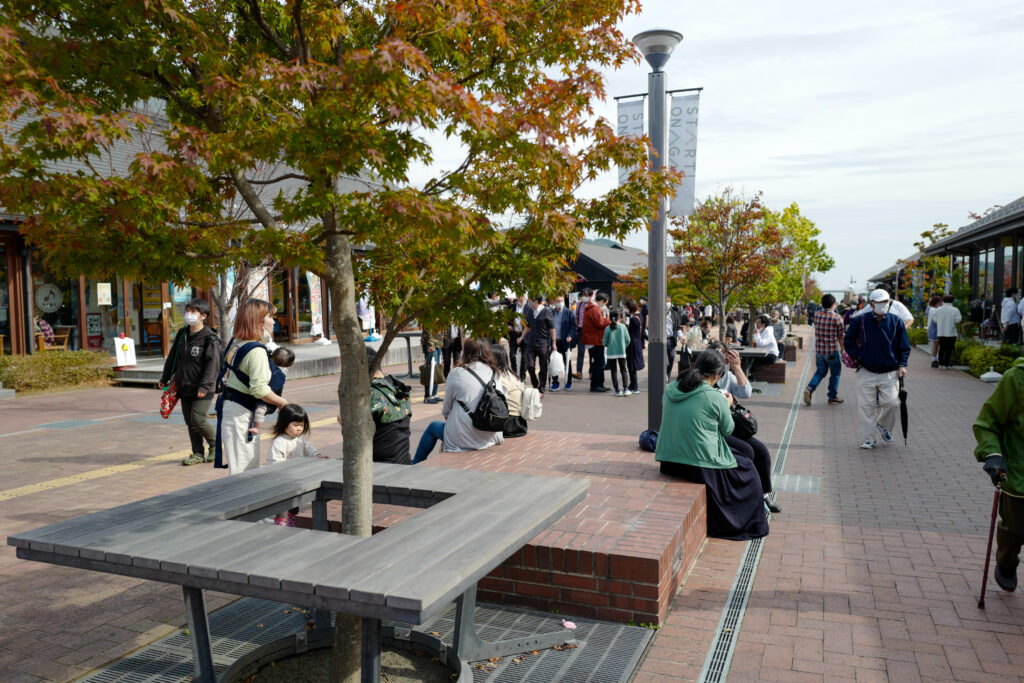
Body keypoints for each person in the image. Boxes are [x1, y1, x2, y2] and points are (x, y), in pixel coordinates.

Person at [654, 350, 770, 540]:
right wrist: (728, 404)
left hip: (668, 459)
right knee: (747, 468)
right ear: (718, 375)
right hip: (696, 464)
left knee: (744, 453)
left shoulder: (671, 388)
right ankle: (749, 519)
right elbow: (727, 430)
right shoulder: (714, 396)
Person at [215, 298, 288, 474]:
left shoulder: (237, 342)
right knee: (245, 471)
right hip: (242, 414)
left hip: (231, 408)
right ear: (258, 320)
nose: (273, 321)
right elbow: (259, 389)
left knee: (240, 466)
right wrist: (282, 403)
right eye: (270, 317)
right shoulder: (256, 351)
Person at [973, 355, 1024, 592]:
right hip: (1019, 474)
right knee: (1015, 530)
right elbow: (988, 422)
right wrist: (992, 453)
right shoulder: (1017, 378)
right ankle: (1006, 562)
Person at [412, 338, 504, 463]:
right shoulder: (495, 373)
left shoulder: (456, 373)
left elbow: (446, 411)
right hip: (491, 434)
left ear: (465, 352)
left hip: (463, 437)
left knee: (433, 427)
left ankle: (415, 463)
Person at [844, 289, 911, 450]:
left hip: (890, 371)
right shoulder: (860, 321)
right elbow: (849, 341)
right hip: (866, 370)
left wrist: (902, 364)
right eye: (880, 303)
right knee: (866, 407)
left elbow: (904, 346)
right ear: (872, 304)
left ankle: (882, 424)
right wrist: (859, 356)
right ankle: (868, 438)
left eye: (886, 302)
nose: (884, 305)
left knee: (891, 403)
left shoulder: (896, 321)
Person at [159, 298, 222, 466]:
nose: (189, 314)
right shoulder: (182, 334)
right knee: (190, 422)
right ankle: (197, 453)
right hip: (184, 385)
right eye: (188, 310)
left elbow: (212, 365)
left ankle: (216, 446)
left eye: (194, 312)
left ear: (203, 316)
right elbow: (173, 358)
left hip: (203, 387)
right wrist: (165, 377)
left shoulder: (210, 338)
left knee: (197, 419)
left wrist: (205, 386)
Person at [267, 404, 322, 526]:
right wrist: (285, 469)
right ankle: (280, 523)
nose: (299, 429)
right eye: (295, 425)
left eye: (302, 426)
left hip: (296, 479)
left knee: (294, 505)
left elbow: (309, 448)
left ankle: (291, 521)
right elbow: (274, 461)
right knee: (283, 506)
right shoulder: (280, 441)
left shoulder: (299, 439)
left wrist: (316, 455)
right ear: (284, 423)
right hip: (282, 481)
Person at [365, 345, 413, 464]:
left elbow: (355, 441)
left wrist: (344, 424)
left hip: (380, 468)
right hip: (404, 461)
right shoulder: (397, 387)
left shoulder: (369, 395)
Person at [803, 293, 845, 406]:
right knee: (835, 373)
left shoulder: (817, 315)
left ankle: (810, 388)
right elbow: (841, 336)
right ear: (833, 304)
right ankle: (832, 396)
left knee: (820, 372)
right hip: (832, 351)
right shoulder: (837, 318)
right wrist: (843, 350)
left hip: (820, 351)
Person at [248, 346, 295, 440]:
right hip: (270, 396)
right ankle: (258, 428)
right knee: (263, 410)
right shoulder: (279, 372)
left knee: (260, 411)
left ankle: (257, 427)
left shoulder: (272, 368)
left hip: (267, 397)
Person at [519, 294, 555, 396]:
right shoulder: (530, 312)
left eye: (530, 300)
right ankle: (535, 384)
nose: (529, 302)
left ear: (535, 301)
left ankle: (541, 389)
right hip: (531, 343)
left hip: (543, 343)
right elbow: (528, 327)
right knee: (530, 365)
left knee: (543, 367)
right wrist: (521, 337)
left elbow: (552, 328)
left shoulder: (546, 311)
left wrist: (553, 343)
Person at [491, 343, 527, 437]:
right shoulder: (513, 375)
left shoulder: (500, 378)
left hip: (508, 424)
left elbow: (499, 403)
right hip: (520, 423)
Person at [582, 292, 611, 392]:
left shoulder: (591, 308)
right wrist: (609, 320)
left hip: (593, 340)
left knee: (598, 363)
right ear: (602, 301)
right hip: (595, 340)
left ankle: (599, 384)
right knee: (599, 364)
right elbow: (600, 323)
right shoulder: (595, 309)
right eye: (605, 303)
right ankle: (596, 385)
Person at [603, 310, 631, 397]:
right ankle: (626, 389)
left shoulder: (608, 328)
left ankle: (617, 390)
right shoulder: (623, 327)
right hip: (622, 352)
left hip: (611, 353)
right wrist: (623, 346)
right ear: (619, 317)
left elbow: (604, 342)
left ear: (610, 317)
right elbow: (628, 340)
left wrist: (610, 345)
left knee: (613, 371)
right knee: (624, 370)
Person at [550, 295, 575, 392]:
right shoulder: (551, 313)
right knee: (554, 362)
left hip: (565, 341)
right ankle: (555, 383)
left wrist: (570, 335)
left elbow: (573, 326)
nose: (559, 302)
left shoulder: (568, 312)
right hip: (554, 342)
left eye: (561, 300)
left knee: (567, 362)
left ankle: (568, 382)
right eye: (557, 300)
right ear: (554, 302)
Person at [932, 294, 962, 368]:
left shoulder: (938, 309)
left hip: (941, 332)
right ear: (952, 301)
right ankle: (946, 363)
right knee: (949, 349)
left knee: (942, 347)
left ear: (943, 300)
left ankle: (941, 363)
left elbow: (935, 320)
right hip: (951, 332)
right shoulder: (955, 310)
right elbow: (958, 320)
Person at [624, 297, 645, 393]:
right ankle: (632, 386)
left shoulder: (633, 319)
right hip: (637, 342)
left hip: (632, 344)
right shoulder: (640, 315)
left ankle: (635, 387)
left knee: (631, 367)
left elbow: (630, 333)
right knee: (633, 366)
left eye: (627, 307)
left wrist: (625, 326)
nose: (626, 309)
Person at [420, 326, 443, 404]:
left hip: (437, 344)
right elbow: (428, 329)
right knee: (430, 371)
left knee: (436, 371)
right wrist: (430, 345)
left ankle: (433, 394)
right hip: (431, 345)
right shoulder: (431, 315)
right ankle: (428, 396)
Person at [925, 294, 943, 367]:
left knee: (935, 345)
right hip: (935, 329)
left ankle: (934, 359)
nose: (941, 304)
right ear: (935, 302)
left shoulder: (932, 309)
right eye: (940, 303)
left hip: (933, 328)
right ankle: (934, 360)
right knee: (936, 345)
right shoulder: (934, 310)